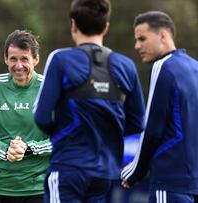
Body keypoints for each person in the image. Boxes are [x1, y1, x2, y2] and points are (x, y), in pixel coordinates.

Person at [33, 0, 145, 202]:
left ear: (73, 24)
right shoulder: (127, 65)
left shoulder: (60, 59)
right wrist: (105, 130)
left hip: (68, 167)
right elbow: (137, 122)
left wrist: (67, 133)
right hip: (105, 173)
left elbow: (41, 116)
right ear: (106, 28)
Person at [121, 11, 198, 203]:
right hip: (193, 183)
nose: (137, 45)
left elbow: (152, 129)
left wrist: (134, 172)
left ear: (162, 35)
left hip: (170, 181)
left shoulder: (163, 66)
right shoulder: (195, 67)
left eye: (142, 38)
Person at [0, 29, 52, 203]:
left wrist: (29, 148)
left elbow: (62, 137)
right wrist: (5, 149)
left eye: (24, 59)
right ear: (5, 59)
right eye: (13, 59)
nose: (18, 65)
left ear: (36, 60)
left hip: (38, 188)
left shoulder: (49, 87)